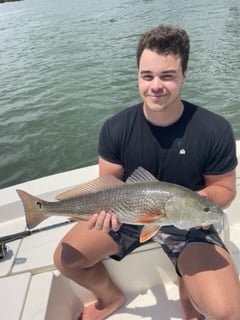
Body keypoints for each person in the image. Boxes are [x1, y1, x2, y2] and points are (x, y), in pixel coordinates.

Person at [54, 24, 240, 320]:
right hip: (129, 214)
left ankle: (185, 276)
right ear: (137, 75)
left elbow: (225, 189)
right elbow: (109, 181)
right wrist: (104, 211)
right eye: (147, 75)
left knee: (227, 312)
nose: (156, 85)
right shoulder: (115, 128)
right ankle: (111, 297)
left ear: (185, 75)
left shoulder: (214, 129)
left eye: (167, 76)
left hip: (189, 221)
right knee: (66, 259)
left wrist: (190, 203)